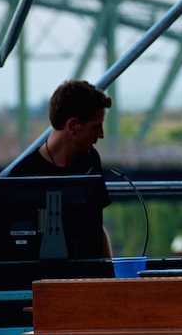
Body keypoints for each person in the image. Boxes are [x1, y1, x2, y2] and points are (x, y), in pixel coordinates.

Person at [9, 79, 113, 259]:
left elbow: (96, 226)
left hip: (89, 279)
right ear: (72, 127)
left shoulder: (91, 160)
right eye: (95, 127)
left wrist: (110, 277)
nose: (101, 134)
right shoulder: (21, 176)